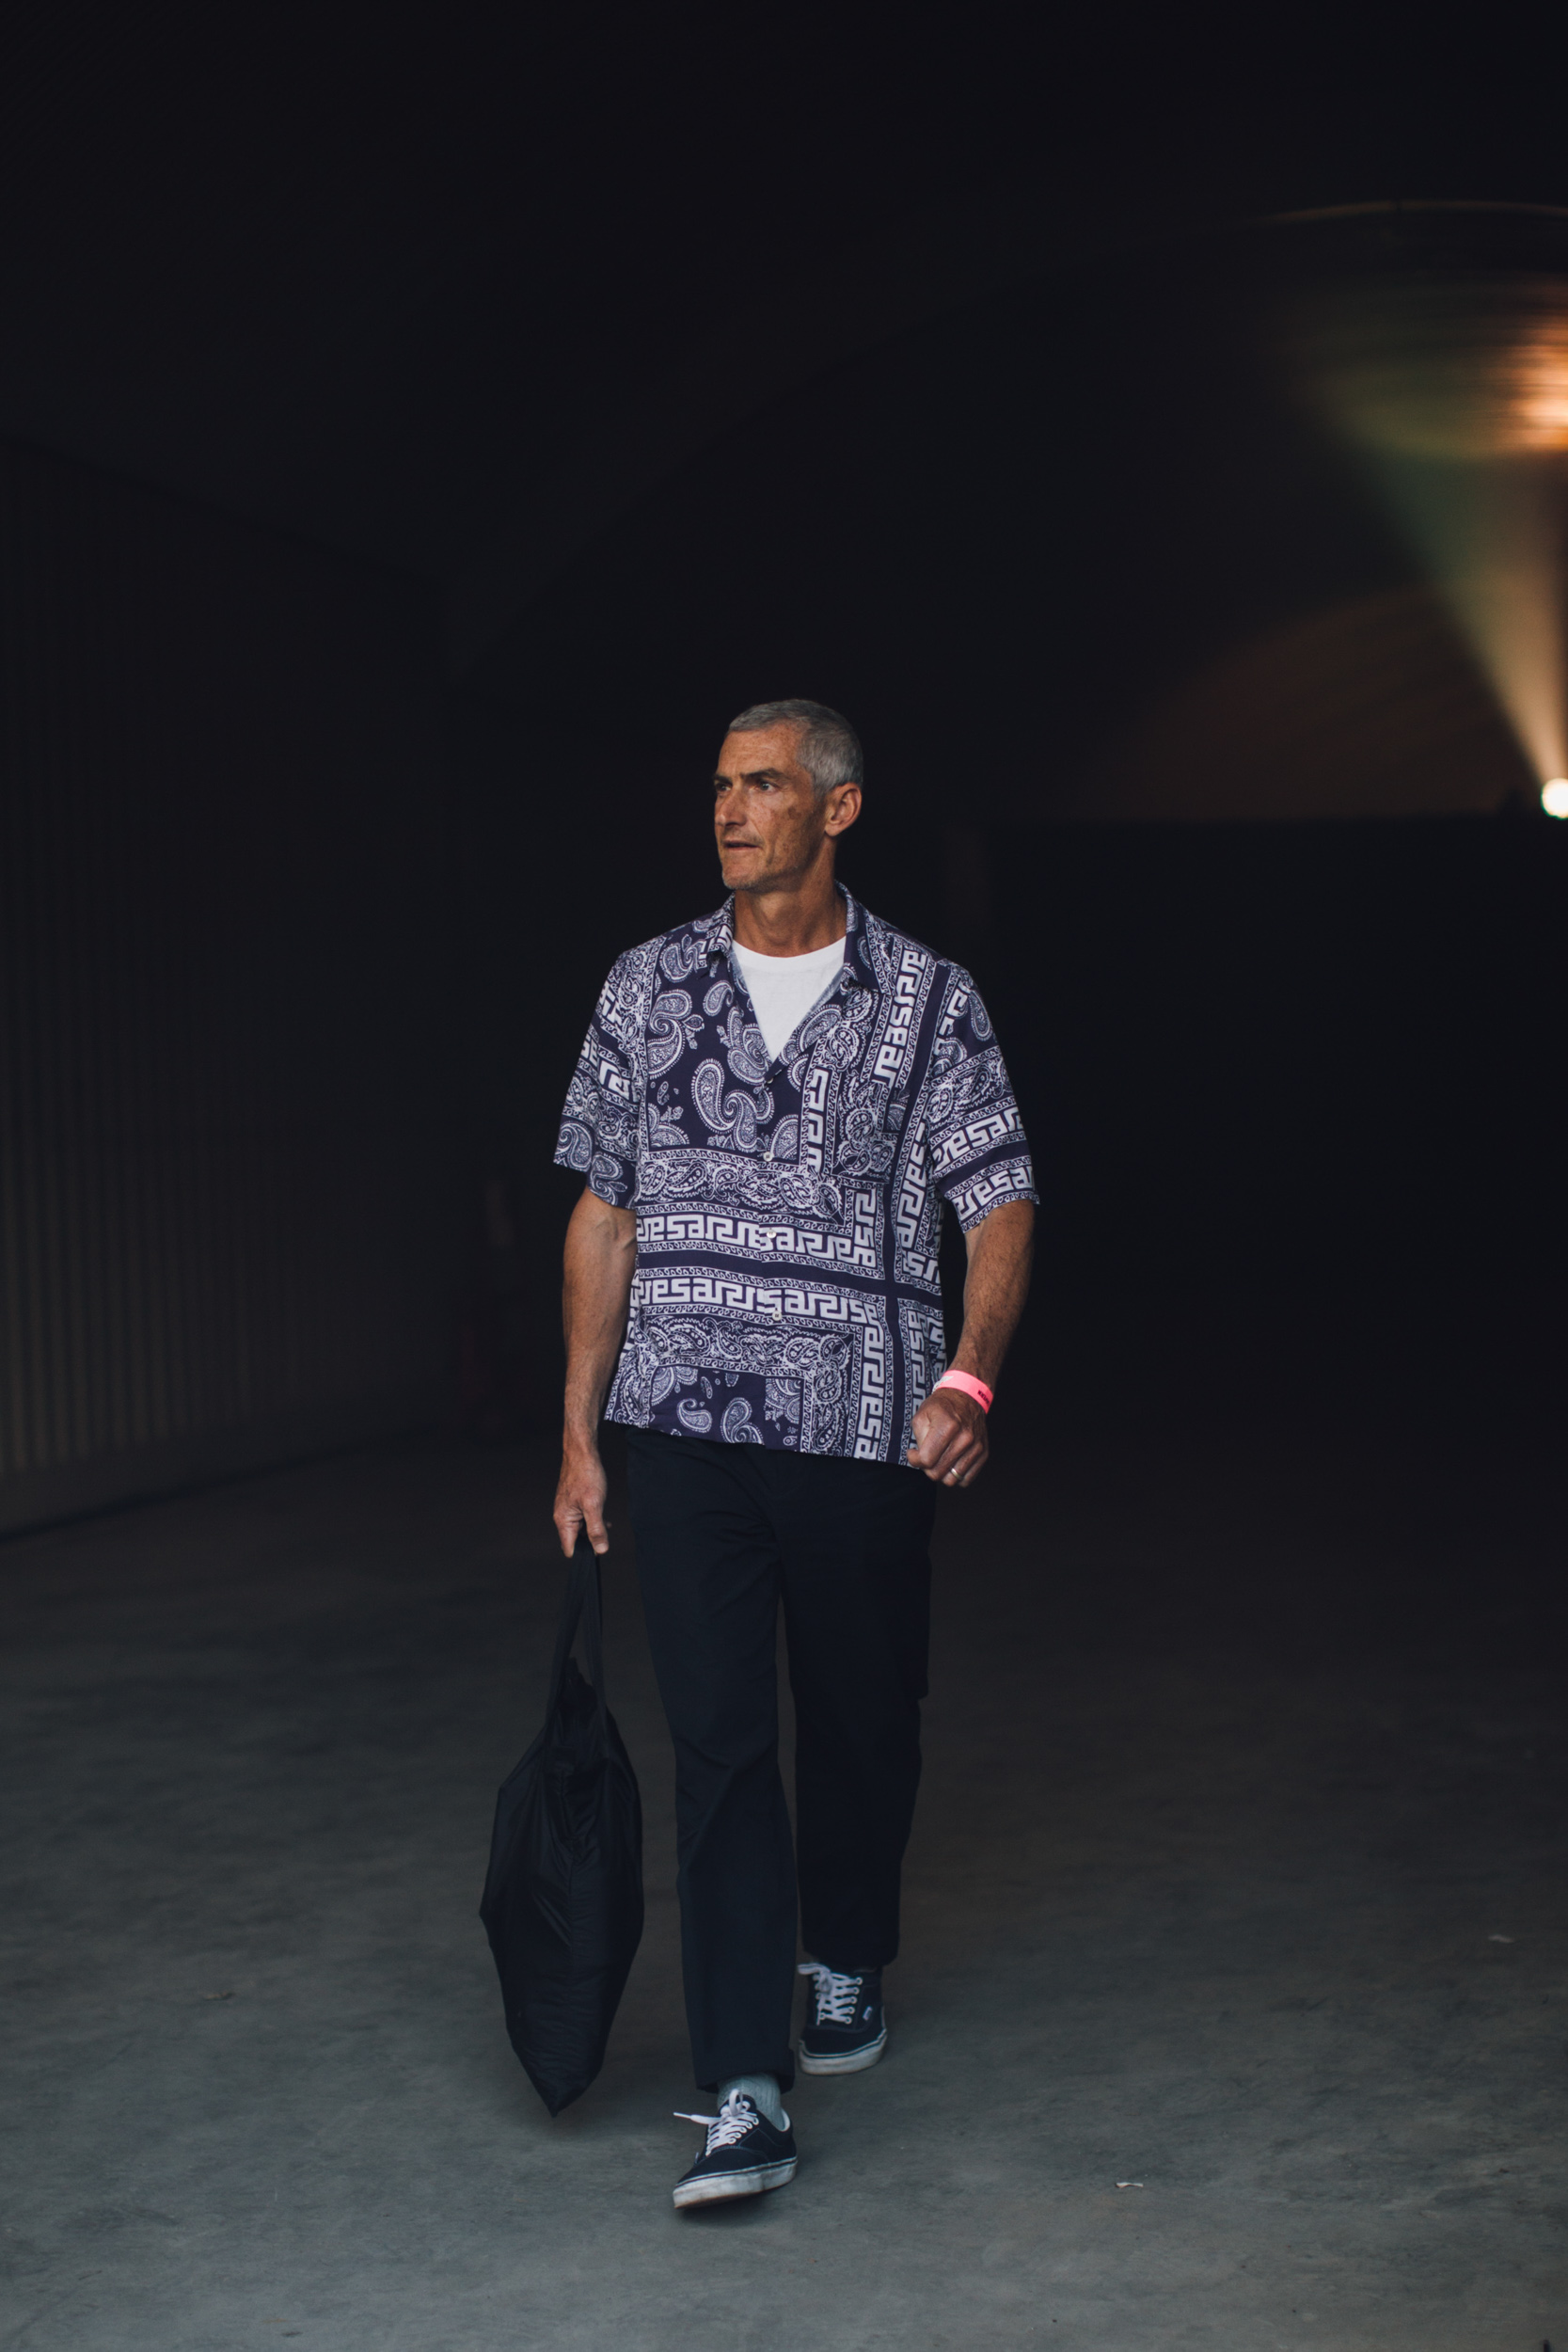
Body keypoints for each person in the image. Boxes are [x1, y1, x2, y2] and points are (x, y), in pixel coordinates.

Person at [552, 698, 1036, 2209]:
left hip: (863, 1428)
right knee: (719, 1748)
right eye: (720, 785)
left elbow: (998, 1200)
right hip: (683, 1429)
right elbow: (604, 1214)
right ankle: (742, 2087)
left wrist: (970, 1377)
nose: (729, 809)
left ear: (838, 808)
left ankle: (850, 1948)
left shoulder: (929, 998)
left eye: (763, 785)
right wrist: (577, 1430)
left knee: (863, 1716)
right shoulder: (647, 985)